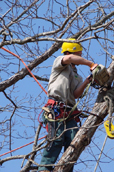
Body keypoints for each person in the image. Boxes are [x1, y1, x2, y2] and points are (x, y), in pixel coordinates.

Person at [38, 38, 95, 172]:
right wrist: (91, 64)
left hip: (69, 112)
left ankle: (67, 169)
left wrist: (87, 81)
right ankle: (44, 168)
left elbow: (75, 94)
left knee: (74, 142)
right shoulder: (60, 62)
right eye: (78, 55)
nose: (80, 57)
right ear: (71, 52)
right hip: (55, 109)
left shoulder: (76, 75)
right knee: (56, 140)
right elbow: (69, 58)